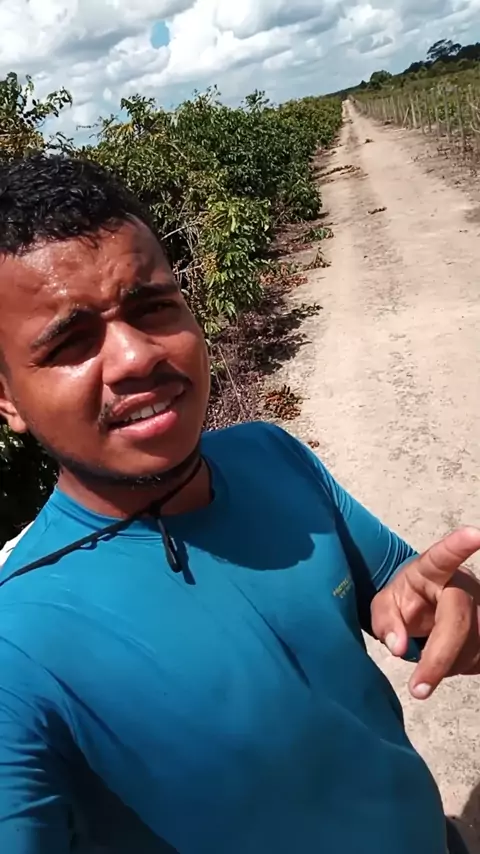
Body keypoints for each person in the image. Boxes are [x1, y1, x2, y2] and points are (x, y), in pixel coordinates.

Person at [0, 154, 477, 854]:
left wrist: (450, 606)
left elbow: (403, 592)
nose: (135, 357)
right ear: (7, 397)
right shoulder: (19, 646)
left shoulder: (268, 454)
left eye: (152, 306)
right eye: (71, 342)